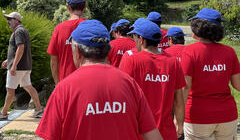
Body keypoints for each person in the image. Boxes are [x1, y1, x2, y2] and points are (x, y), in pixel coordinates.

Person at [35, 20, 163, 140]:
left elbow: (49, 135)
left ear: (78, 51)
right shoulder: (129, 84)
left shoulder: (64, 89)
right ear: (107, 50)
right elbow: (153, 135)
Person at [120, 18, 186, 140]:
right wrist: (180, 125)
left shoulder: (132, 61)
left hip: (140, 132)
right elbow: (179, 100)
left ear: (141, 40)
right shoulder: (173, 62)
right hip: (166, 131)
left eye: (134, 37)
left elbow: (122, 98)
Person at [181, 8, 240, 140]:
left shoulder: (189, 52)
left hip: (198, 116)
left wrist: (178, 117)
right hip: (227, 116)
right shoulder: (229, 52)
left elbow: (185, 87)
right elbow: (238, 85)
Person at [0, 12, 43, 120]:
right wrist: (8, 60)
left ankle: (3, 113)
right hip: (25, 66)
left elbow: (20, 48)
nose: (8, 21)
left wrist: (13, 65)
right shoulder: (22, 30)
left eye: (10, 19)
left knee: (10, 90)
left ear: (17, 20)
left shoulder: (18, 31)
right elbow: (18, 50)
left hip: (18, 67)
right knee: (28, 86)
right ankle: (39, 110)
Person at [47, 0, 86, 84]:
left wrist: (58, 84)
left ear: (68, 7)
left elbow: (54, 61)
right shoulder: (91, 27)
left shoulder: (59, 29)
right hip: (87, 82)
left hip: (66, 83)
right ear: (84, 7)